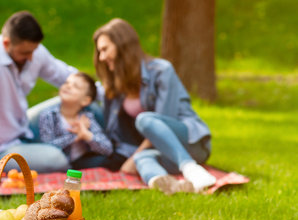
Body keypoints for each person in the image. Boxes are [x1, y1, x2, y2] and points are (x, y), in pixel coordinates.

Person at [92, 18, 216, 194]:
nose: (102, 57)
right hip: (160, 150)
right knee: (143, 159)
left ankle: (190, 168)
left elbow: (165, 120)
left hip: (190, 142)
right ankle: (173, 187)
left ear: (122, 45)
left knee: (145, 120)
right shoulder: (116, 85)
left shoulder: (162, 71)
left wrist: (133, 156)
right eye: (99, 52)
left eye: (105, 49)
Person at [0, 11, 77, 180]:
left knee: (86, 99)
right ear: (6, 43)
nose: (31, 57)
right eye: (24, 53)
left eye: (33, 51)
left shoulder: (33, 52)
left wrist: (101, 91)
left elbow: (64, 75)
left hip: (23, 128)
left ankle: (116, 150)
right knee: (56, 159)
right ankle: (76, 155)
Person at [38, 72, 113, 169]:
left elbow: (108, 149)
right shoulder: (48, 115)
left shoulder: (86, 117)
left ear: (85, 101)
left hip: (82, 162)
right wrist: (75, 135)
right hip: (57, 163)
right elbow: (47, 149)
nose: (68, 86)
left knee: (107, 161)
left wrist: (86, 135)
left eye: (75, 86)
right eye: (66, 83)